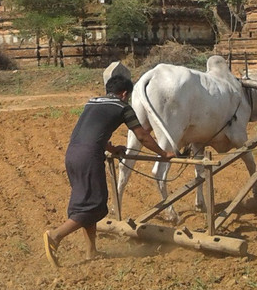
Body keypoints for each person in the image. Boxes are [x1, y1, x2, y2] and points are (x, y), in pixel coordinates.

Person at [43, 75, 175, 269]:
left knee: (87, 203)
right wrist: (162, 153)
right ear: (124, 94)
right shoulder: (123, 107)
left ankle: (91, 251)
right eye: (127, 96)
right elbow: (142, 136)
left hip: (72, 154)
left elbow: (91, 131)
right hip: (89, 157)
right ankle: (55, 236)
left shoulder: (93, 102)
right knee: (95, 204)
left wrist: (112, 150)